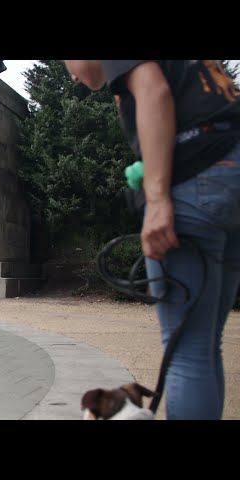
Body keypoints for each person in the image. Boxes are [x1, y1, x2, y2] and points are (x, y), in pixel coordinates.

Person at [63, 60, 240, 420]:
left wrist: (157, 199)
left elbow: (153, 90)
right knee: (205, 346)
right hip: (230, 169)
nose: (70, 73)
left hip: (199, 177)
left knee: (188, 351)